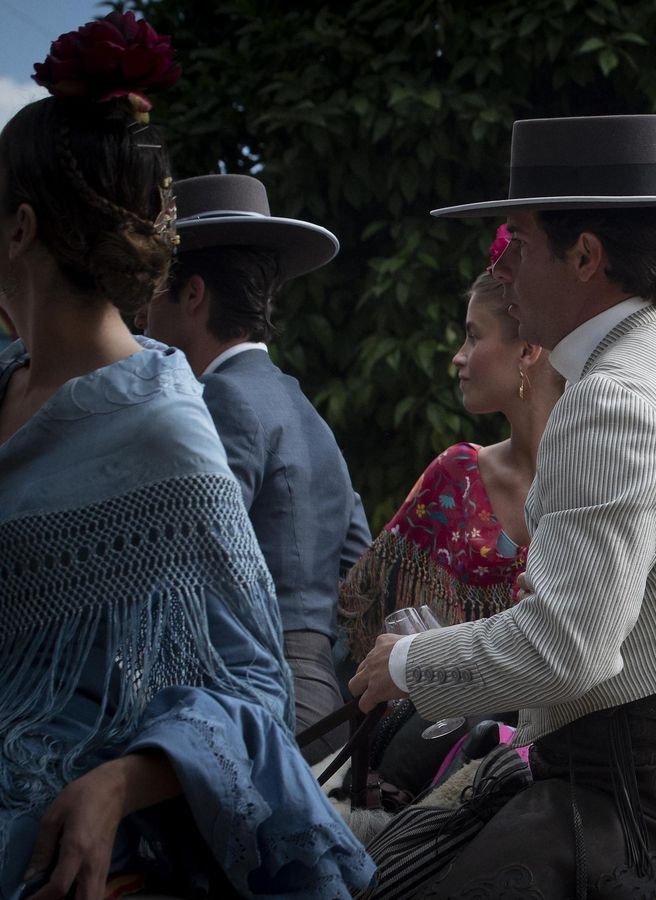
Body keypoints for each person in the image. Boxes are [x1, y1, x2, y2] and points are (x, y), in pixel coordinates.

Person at [348, 114, 656, 896]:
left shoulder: (612, 400)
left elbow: (566, 651)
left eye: (519, 243)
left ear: (586, 255)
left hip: (633, 808)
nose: (503, 267)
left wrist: (408, 662)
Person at [0, 13, 371, 897]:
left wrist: (119, 782)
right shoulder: (12, 379)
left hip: (54, 805)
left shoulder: (166, 426)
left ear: (19, 229)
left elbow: (252, 678)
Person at [141, 173, 372, 760]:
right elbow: (360, 570)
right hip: (322, 701)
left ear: (193, 294)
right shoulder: (304, 410)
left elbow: (185, 566)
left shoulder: (222, 399)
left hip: (254, 705)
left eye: (154, 287)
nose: (141, 309)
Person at [339, 261, 562, 664]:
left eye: (473, 337)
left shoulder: (598, 473)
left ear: (528, 350)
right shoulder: (457, 476)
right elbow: (362, 606)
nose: (459, 357)